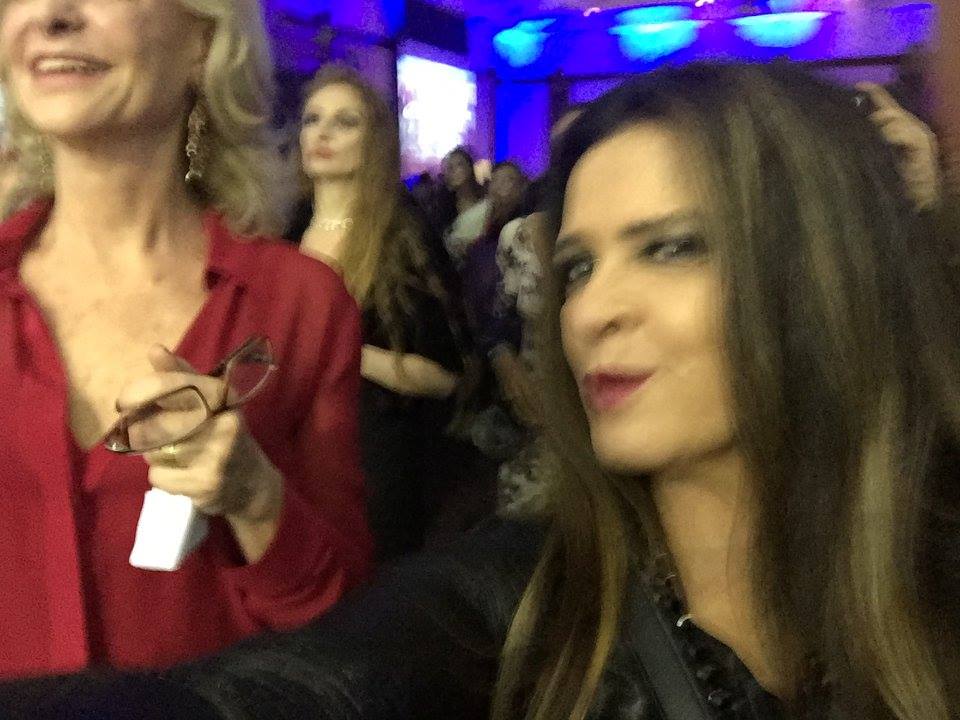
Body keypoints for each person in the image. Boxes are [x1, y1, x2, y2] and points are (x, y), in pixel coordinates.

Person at [4, 62, 960, 720]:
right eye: (576, 267)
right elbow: (293, 687)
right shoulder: (512, 605)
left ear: (824, 265)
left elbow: (445, 363)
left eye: (670, 248)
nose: (591, 311)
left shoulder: (930, 572)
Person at [0, 0, 372, 679]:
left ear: (204, 41)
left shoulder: (301, 306)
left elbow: (348, 625)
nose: (49, 15)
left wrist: (257, 499)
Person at [291, 65, 482, 561]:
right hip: (291, 455)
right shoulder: (282, 233)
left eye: (345, 121)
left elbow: (445, 376)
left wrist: (342, 353)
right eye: (312, 119)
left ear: (373, 141)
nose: (323, 133)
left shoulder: (401, 237)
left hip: (377, 461)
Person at [440, 146, 488, 268]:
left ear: (469, 168)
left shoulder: (486, 203)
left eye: (459, 165)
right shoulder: (442, 207)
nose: (453, 171)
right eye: (449, 167)